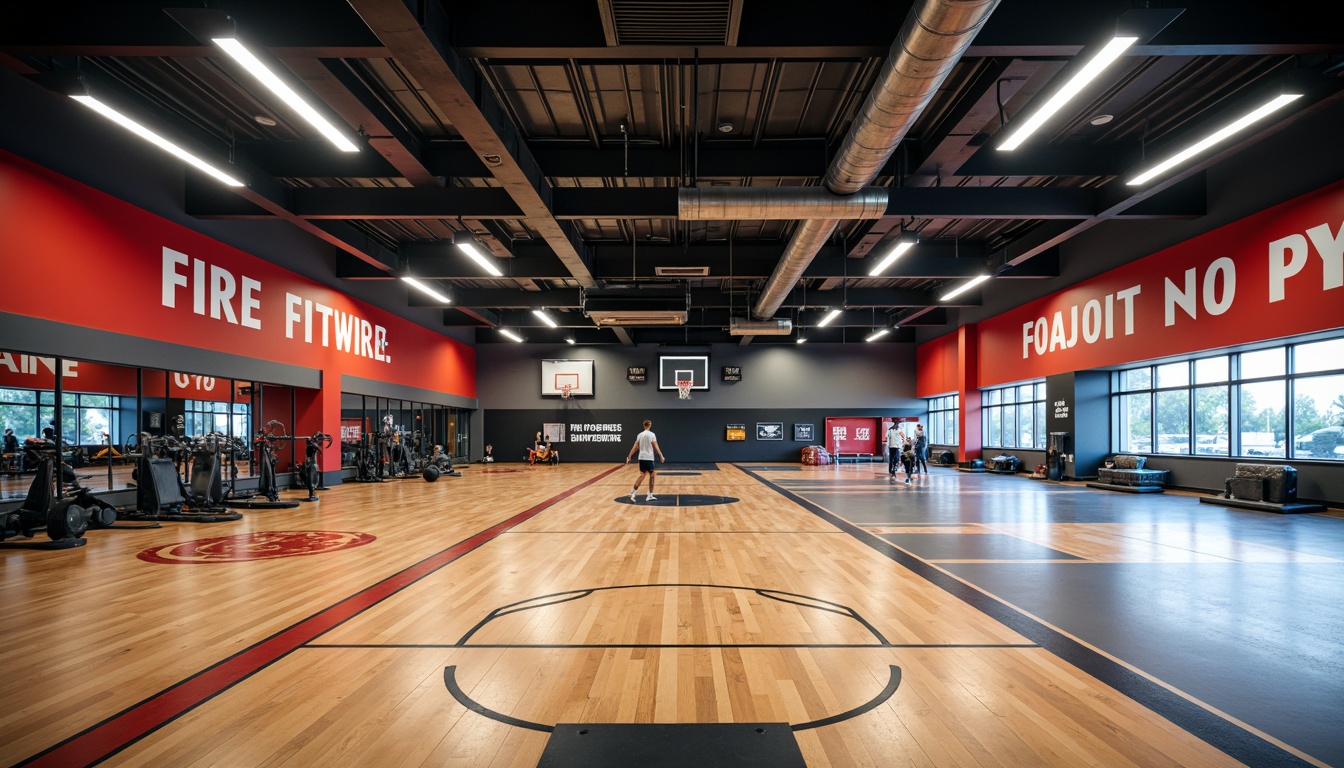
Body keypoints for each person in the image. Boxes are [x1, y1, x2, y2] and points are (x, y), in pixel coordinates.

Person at [625, 419, 665, 502]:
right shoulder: (652, 435)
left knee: (643, 474)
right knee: (652, 475)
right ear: (650, 425)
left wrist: (629, 456)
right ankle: (650, 495)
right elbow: (656, 447)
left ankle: (633, 492)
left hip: (641, 457)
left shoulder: (639, 435)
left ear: (644, 425)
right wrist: (661, 456)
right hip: (649, 457)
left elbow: (635, 447)